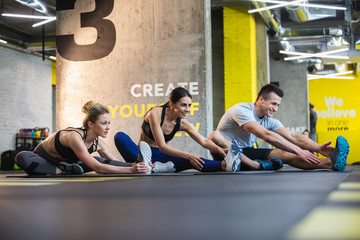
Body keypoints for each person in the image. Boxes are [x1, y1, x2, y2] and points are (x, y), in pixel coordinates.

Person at [114, 87, 282, 173]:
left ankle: (224, 166)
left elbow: (203, 141)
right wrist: (189, 154)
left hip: (162, 157)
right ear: (171, 104)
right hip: (140, 152)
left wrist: (222, 150)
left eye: (189, 105)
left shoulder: (184, 123)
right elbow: (163, 145)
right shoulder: (156, 114)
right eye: (183, 105)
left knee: (195, 160)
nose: (187, 109)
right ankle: (148, 165)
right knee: (120, 136)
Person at [209, 84, 349, 171]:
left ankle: (330, 163)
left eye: (278, 105)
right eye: (273, 104)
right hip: (225, 152)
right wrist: (300, 151)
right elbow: (266, 135)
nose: (275, 109)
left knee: (285, 154)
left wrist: (318, 148)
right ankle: (255, 165)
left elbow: (292, 136)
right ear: (261, 100)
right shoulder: (241, 110)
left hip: (247, 151)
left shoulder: (269, 119)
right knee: (215, 135)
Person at [15, 101, 152, 175]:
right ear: (90, 124)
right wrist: (131, 170)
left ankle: (66, 169)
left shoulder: (99, 143)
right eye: (104, 123)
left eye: (109, 123)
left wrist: (138, 166)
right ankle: (62, 170)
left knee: (99, 159)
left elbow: (113, 162)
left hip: (71, 164)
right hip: (44, 161)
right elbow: (97, 168)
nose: (108, 127)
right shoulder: (75, 137)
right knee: (22, 157)